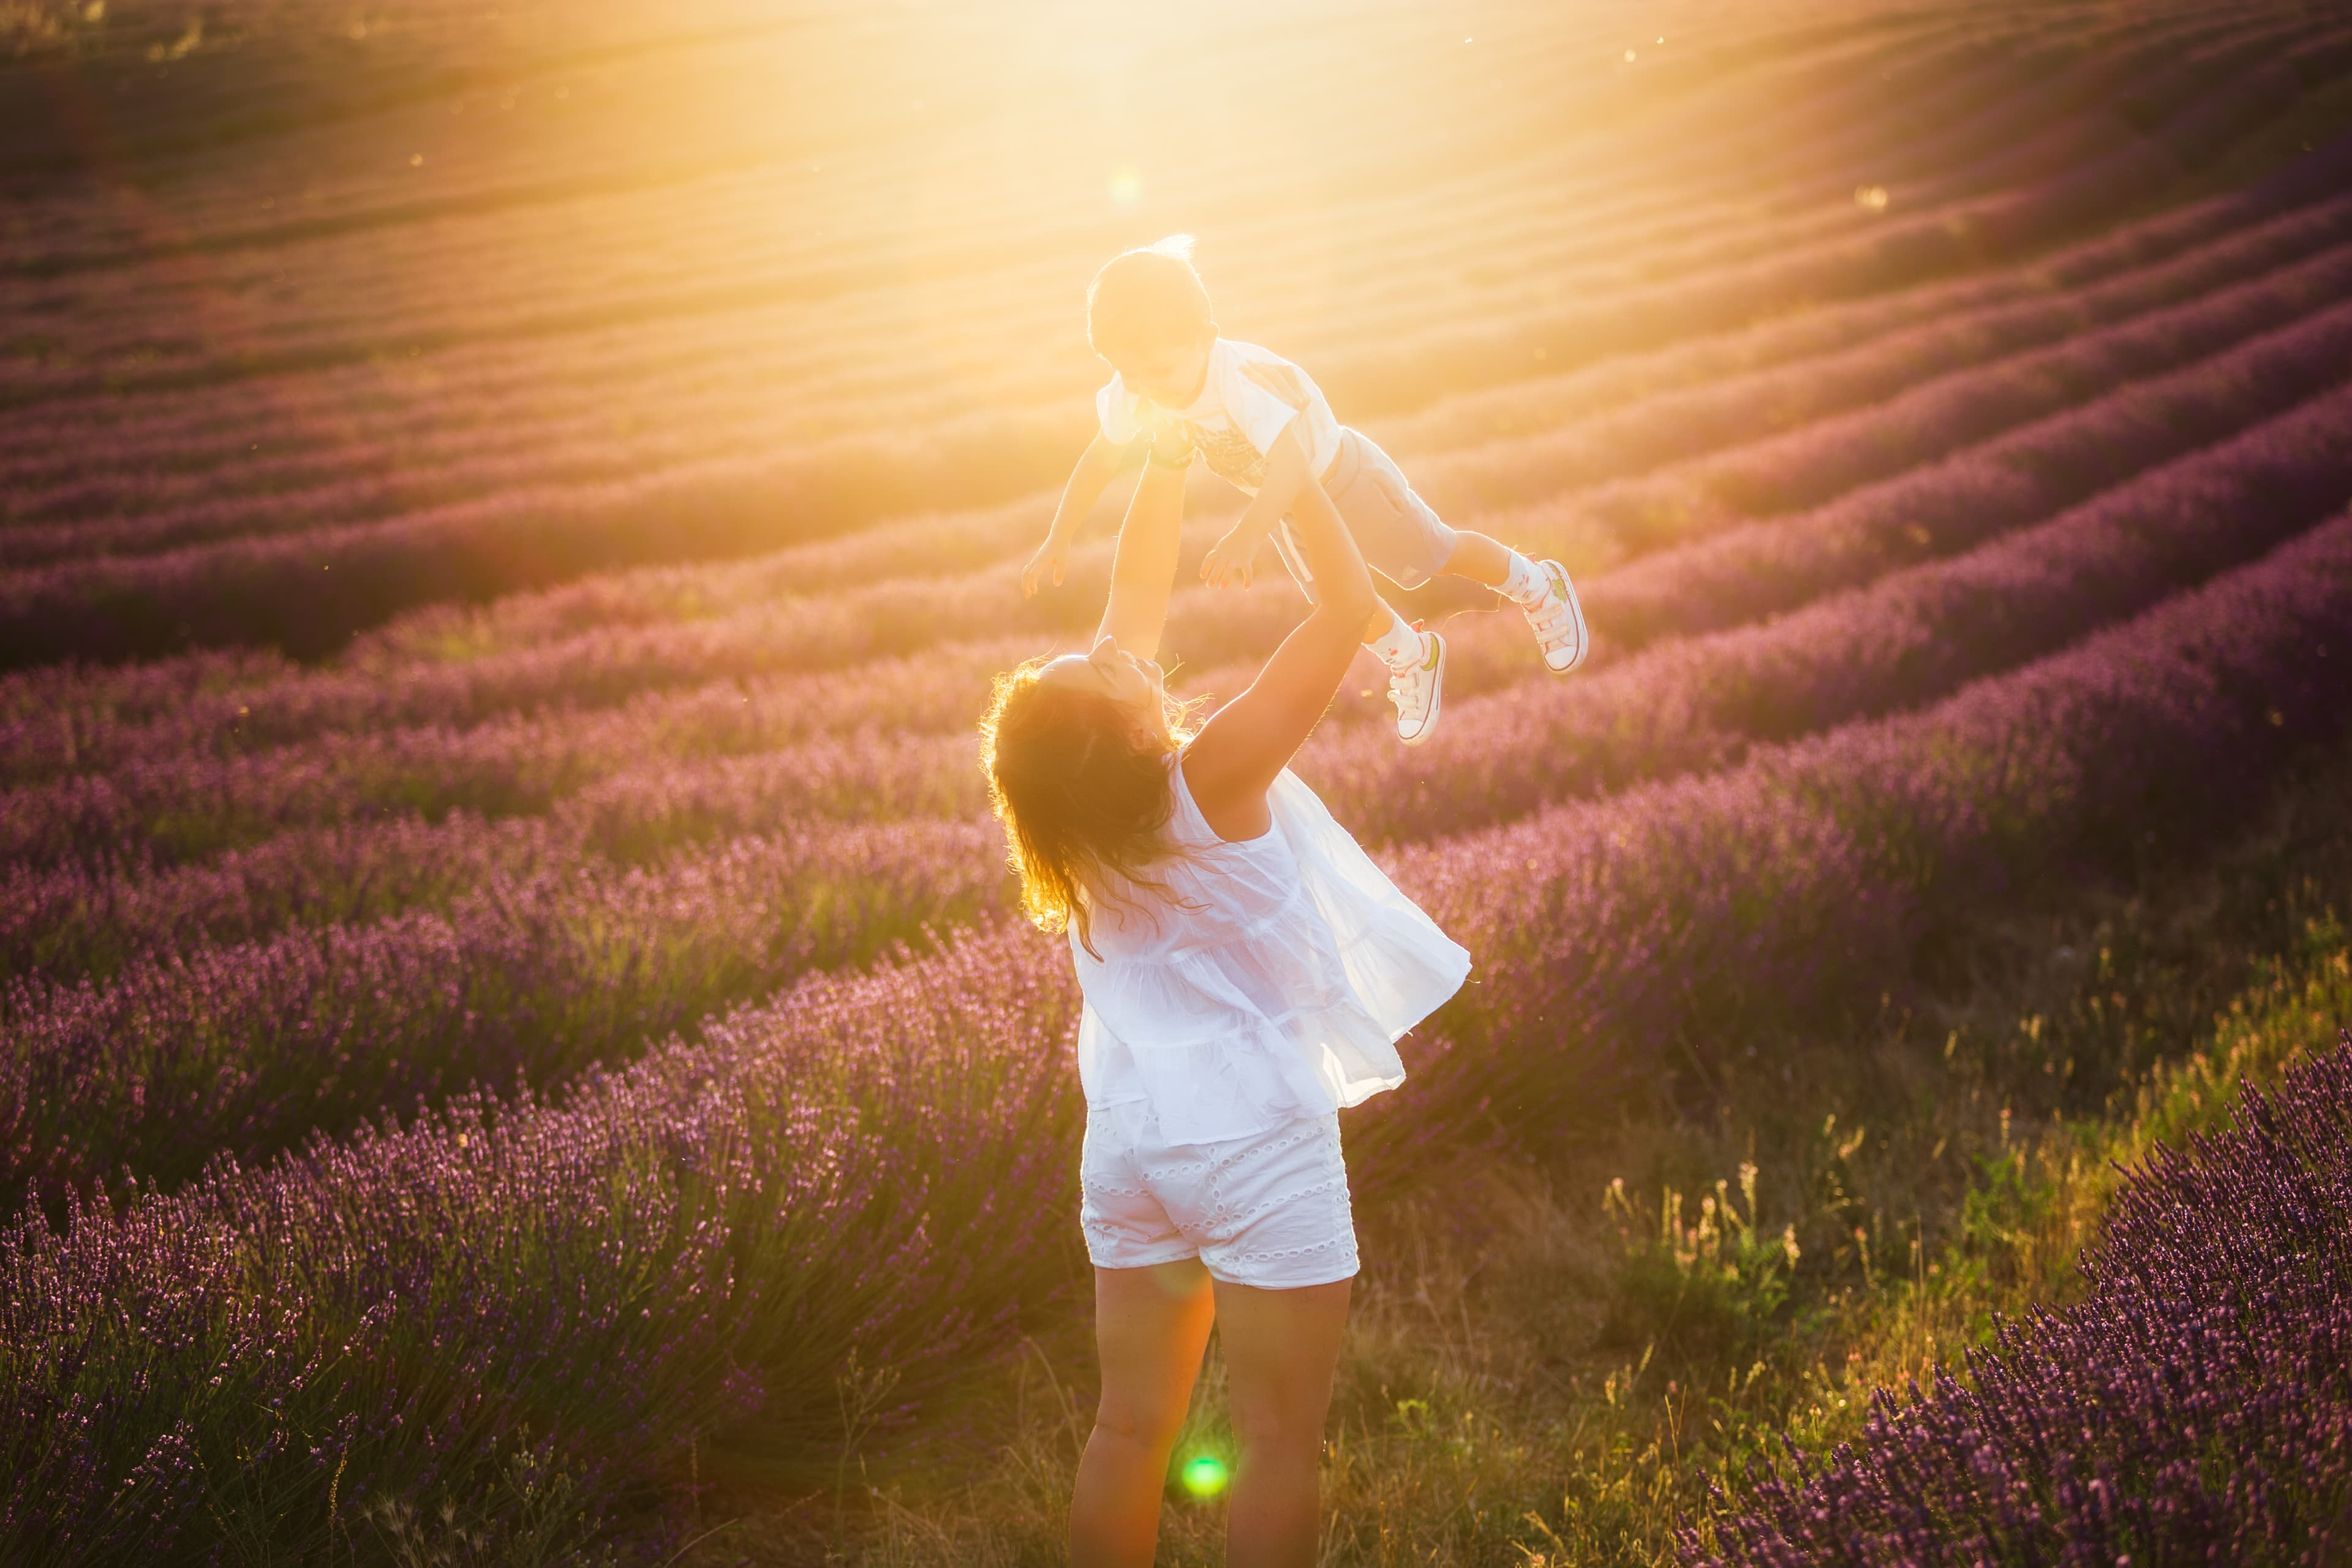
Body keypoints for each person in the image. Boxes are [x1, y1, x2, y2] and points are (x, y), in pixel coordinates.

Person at [981, 434, 1471, 1567]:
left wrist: (1170, 442)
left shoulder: (1076, 826)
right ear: (1120, 725)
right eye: (1098, 665)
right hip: (1251, 1142)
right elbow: (1349, 607)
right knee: (1275, 1443)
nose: (1113, 648)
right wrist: (1292, 481)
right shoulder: (1211, 779)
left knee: (1129, 1425)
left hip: (1135, 1145)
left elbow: (1136, 590)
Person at [1020, 233, 1588, 747]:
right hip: (1289, 507)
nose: (1145, 390)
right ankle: (1413, 654)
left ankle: (1538, 586)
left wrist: (1247, 535)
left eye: (1158, 372)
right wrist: (1060, 535)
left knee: (1435, 554)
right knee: (1338, 608)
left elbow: (1290, 463)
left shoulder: (1237, 381)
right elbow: (1101, 456)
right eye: (1129, 374)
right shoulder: (1140, 385)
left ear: (1204, 339)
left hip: (1344, 477)